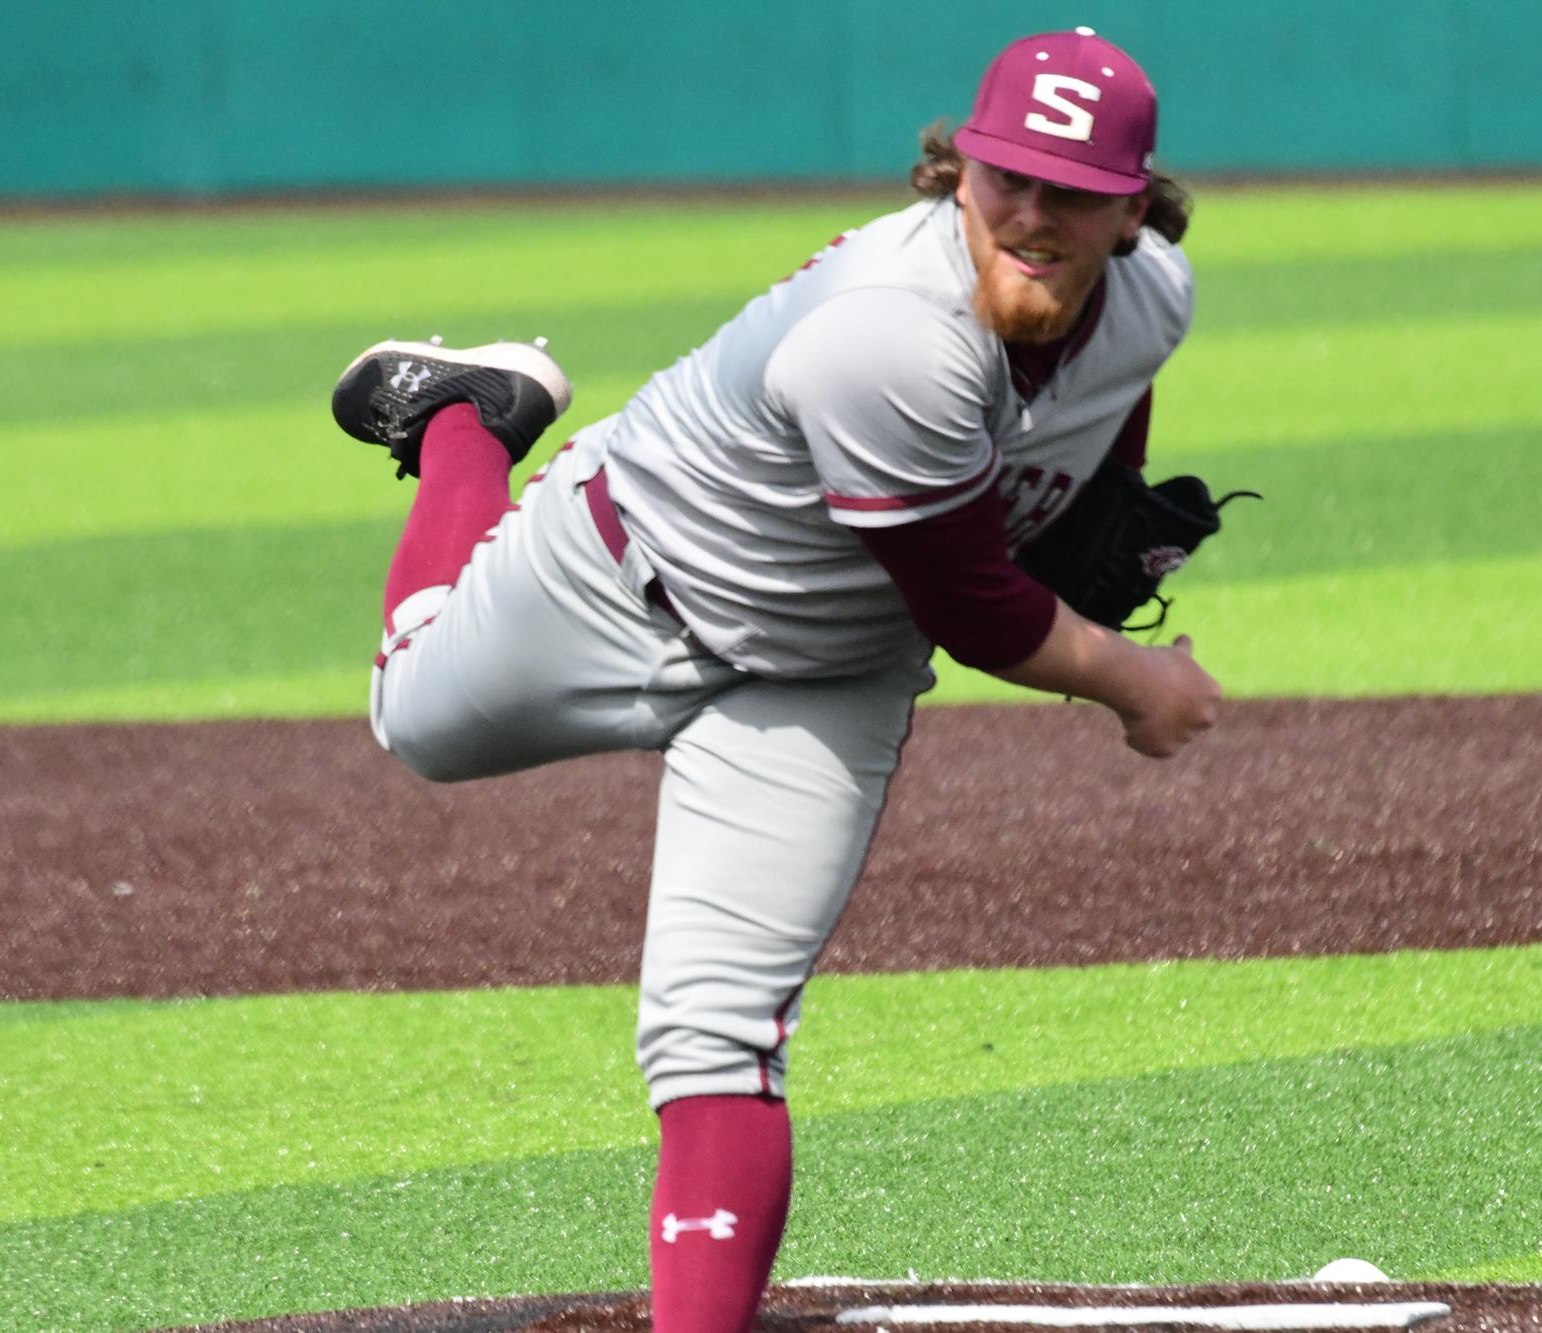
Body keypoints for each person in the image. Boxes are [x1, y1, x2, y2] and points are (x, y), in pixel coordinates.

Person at [329, 27, 1218, 1333]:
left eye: (1072, 190)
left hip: (818, 678)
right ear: (958, 172)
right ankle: (470, 418)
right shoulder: (889, 337)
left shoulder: (1156, 298)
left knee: (718, 1032)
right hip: (613, 580)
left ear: (1133, 204)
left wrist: (1089, 513)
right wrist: (1136, 676)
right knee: (412, 711)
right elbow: (975, 610)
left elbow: (1109, 402)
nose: (1032, 212)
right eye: (1007, 177)